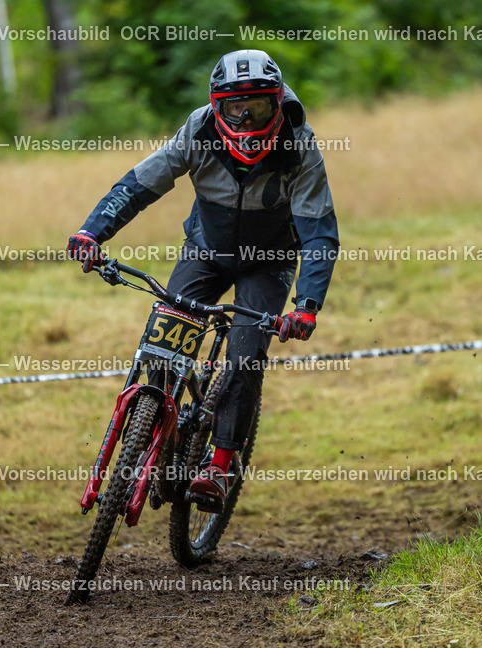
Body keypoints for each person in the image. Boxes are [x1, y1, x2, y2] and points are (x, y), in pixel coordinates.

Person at [68, 49, 339, 512]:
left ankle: (220, 463)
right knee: (164, 340)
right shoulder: (198, 129)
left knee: (245, 355)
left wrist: (306, 305)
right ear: (217, 106)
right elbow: (138, 185)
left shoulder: (300, 145)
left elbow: (318, 234)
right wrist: (93, 231)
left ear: (277, 103)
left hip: (268, 262)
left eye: (258, 106)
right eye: (235, 107)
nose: (247, 118)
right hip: (206, 251)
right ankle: (158, 430)